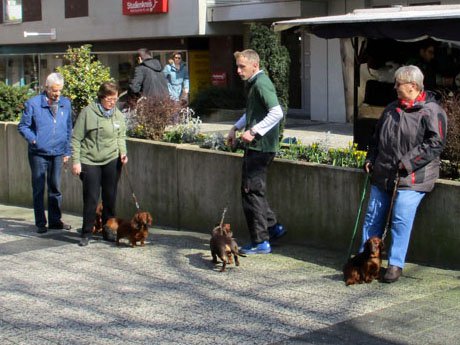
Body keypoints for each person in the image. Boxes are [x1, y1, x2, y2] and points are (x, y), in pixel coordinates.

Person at [360, 65, 447, 283]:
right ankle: (367, 260)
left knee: (400, 214)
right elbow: (376, 138)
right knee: (373, 214)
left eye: (399, 84)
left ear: (413, 86)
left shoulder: (431, 111)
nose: (395, 87)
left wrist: (407, 163)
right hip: (384, 173)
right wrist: (370, 158)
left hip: (414, 177)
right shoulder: (390, 109)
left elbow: (435, 144)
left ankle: (395, 264)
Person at [227, 49, 286, 255]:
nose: (238, 70)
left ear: (255, 65)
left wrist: (253, 131)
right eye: (237, 66)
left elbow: (277, 113)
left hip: (260, 148)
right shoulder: (255, 84)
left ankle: (260, 241)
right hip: (259, 147)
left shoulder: (261, 83)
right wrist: (236, 127)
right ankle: (272, 227)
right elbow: (253, 112)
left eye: (242, 66)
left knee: (250, 193)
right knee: (255, 191)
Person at [71, 82, 128, 247]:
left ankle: (108, 231)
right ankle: (86, 232)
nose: (113, 102)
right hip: (90, 160)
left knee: (110, 197)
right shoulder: (88, 112)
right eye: (110, 99)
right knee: (91, 198)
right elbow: (76, 139)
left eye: (115, 99)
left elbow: (121, 136)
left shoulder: (117, 114)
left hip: (111, 159)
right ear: (101, 97)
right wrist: (76, 162)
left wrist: (122, 153)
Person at [18, 72, 73, 234]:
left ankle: (55, 221)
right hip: (38, 153)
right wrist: (34, 140)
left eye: (60, 90)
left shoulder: (66, 103)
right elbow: (23, 126)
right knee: (39, 188)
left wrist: (67, 150)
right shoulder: (33, 103)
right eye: (54, 90)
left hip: (58, 152)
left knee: (55, 188)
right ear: (46, 87)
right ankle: (41, 222)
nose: (57, 94)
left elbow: (69, 128)